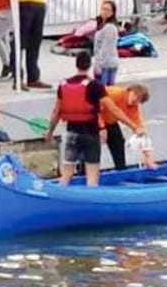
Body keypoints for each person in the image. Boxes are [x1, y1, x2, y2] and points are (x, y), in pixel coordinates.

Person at [44, 52, 114, 187]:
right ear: (90, 65)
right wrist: (133, 126)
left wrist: (50, 131)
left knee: (66, 174)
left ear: (76, 64)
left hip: (71, 133)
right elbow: (112, 108)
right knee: (92, 177)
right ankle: (92, 201)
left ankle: (59, 196)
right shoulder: (95, 85)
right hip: (91, 134)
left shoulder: (63, 84)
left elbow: (56, 112)